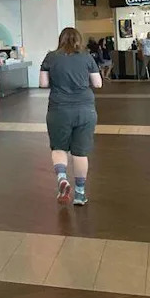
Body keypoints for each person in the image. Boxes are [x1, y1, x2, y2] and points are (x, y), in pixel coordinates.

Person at [39, 27, 102, 206]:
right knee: (80, 153)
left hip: (59, 108)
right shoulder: (87, 57)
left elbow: (43, 84)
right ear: (79, 40)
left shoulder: (50, 57)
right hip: (85, 109)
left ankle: (62, 179)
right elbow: (97, 83)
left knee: (59, 148)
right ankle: (80, 194)